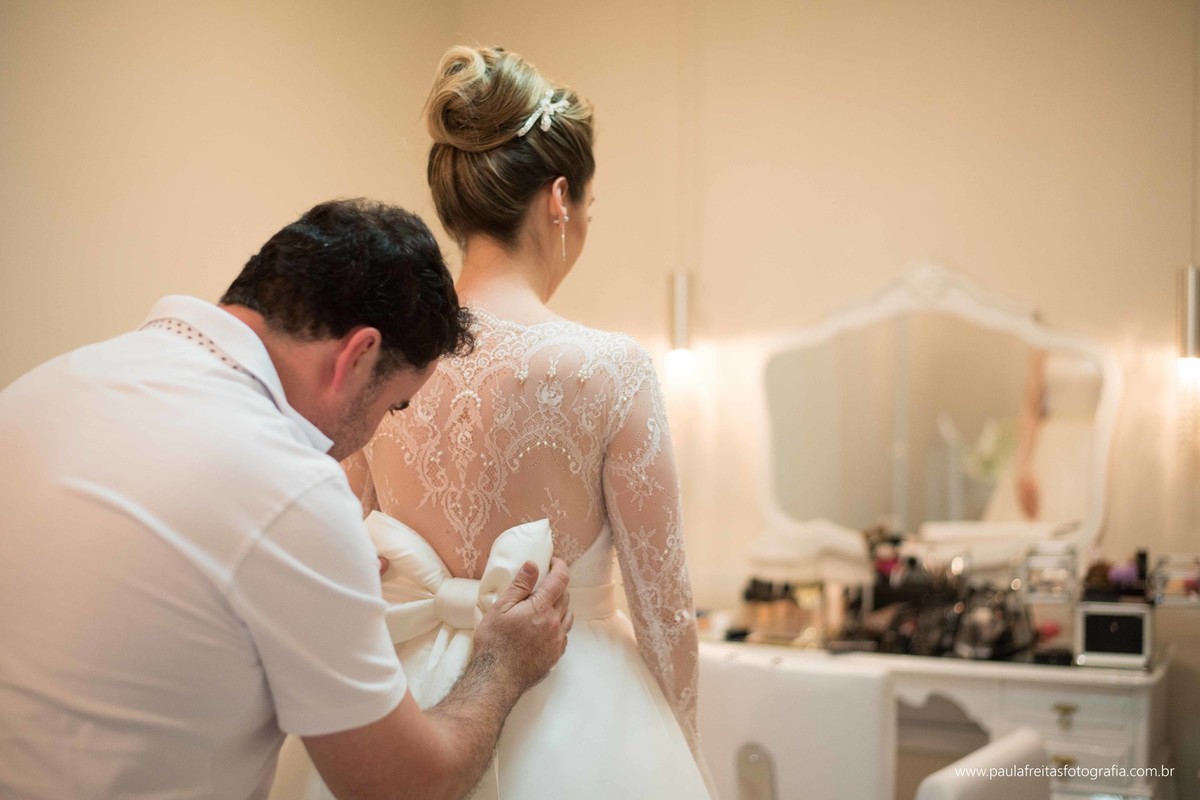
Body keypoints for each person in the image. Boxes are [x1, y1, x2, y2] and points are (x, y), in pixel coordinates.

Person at [0, 198, 573, 800]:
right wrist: (502, 664)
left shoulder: (43, 387)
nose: (376, 430)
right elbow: (404, 786)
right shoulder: (293, 489)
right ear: (358, 356)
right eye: (394, 405)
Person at [272, 46, 714, 800]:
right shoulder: (610, 369)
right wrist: (686, 751)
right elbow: (664, 610)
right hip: (581, 711)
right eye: (589, 207)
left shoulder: (387, 355)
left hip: (401, 706)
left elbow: (342, 546)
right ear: (560, 198)